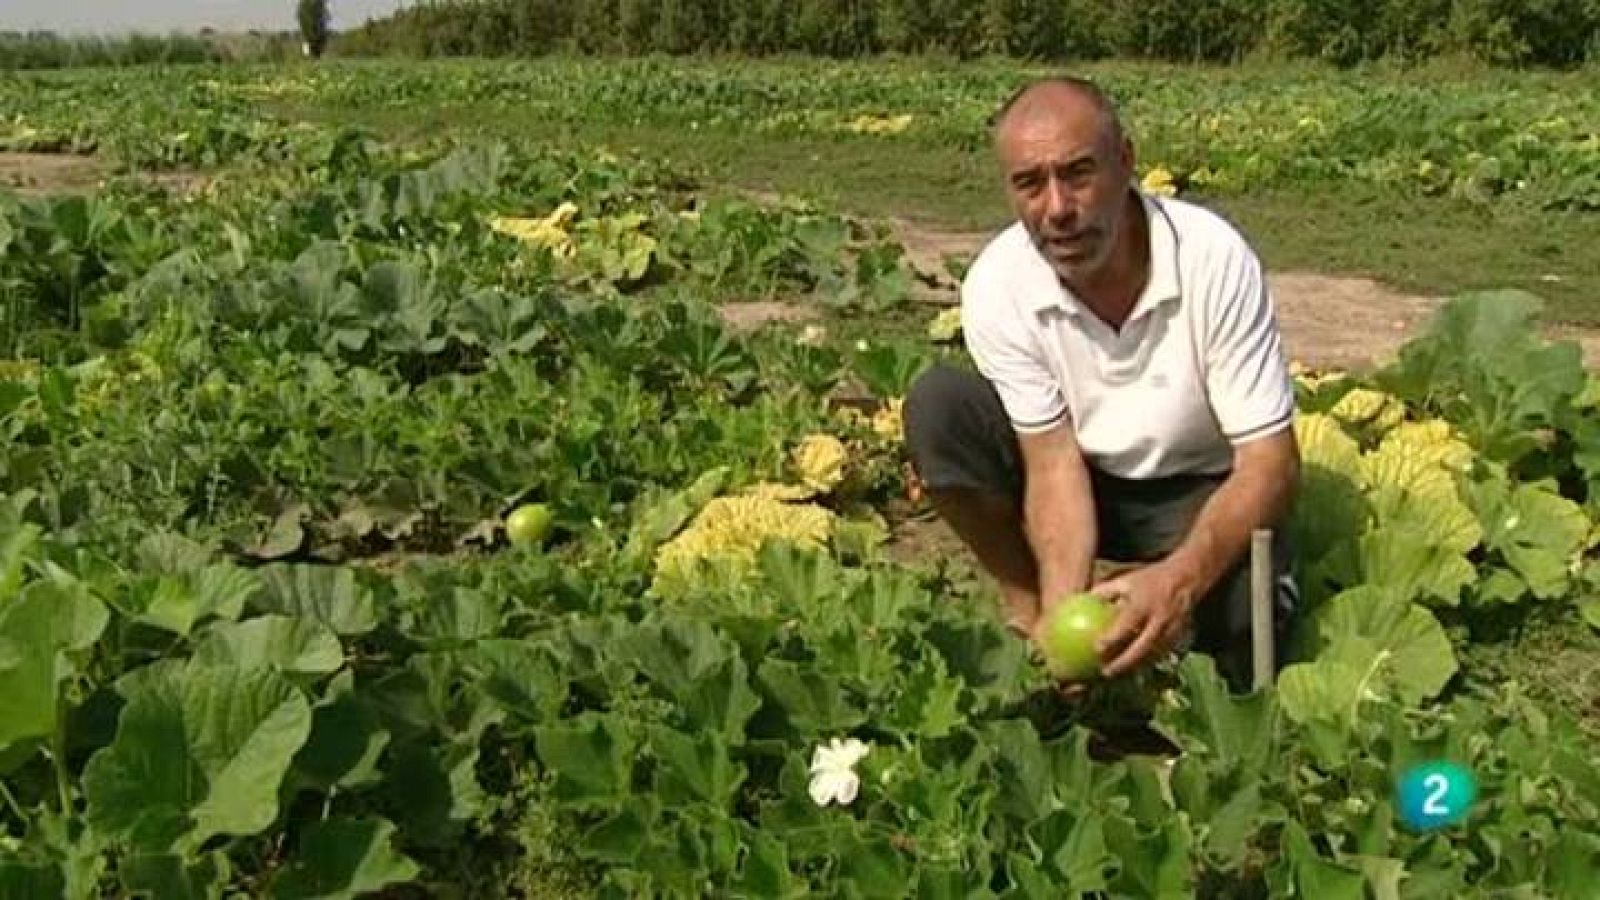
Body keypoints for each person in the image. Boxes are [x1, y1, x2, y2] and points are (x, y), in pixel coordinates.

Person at [904, 76, 1301, 694]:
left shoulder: (1211, 257)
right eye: (1029, 183)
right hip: (1087, 477)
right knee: (940, 407)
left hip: (1199, 488)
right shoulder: (997, 283)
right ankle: (1029, 611)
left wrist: (1181, 579)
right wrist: (1065, 619)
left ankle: (1188, 618)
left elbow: (1269, 463)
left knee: (1245, 642)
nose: (1057, 208)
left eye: (1079, 173)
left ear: (1126, 162)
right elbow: (1054, 464)